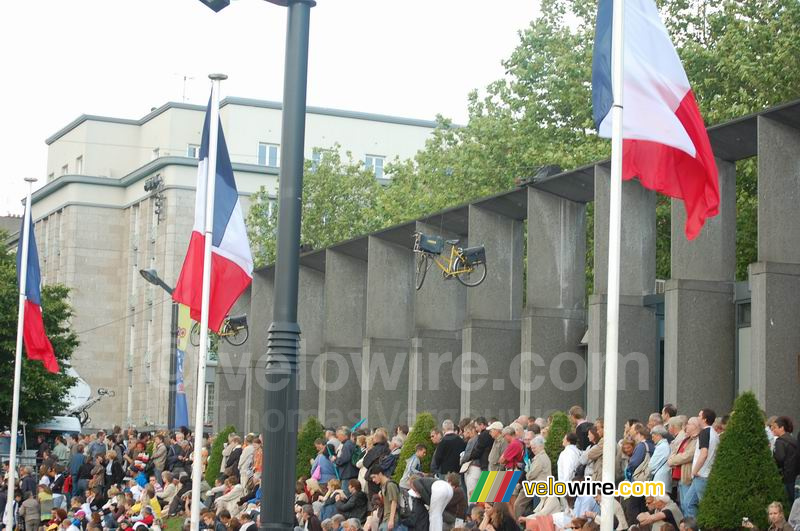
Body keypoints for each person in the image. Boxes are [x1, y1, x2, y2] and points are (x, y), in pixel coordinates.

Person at [683, 409, 719, 518]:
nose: (698, 417)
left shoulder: (705, 432)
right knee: (687, 503)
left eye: (699, 416)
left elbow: (704, 453)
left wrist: (694, 471)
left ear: (704, 419)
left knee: (703, 507)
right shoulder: (714, 433)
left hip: (701, 475)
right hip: (704, 474)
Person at [513, 436, 550, 519]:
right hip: (538, 486)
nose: (532, 450)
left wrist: (527, 473)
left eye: (534, 448)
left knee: (520, 505)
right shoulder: (542, 457)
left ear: (541, 446)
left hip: (536, 486)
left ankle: (519, 525)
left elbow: (531, 475)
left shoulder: (540, 458)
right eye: (532, 448)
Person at [667, 417, 697, 509]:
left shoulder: (693, 440)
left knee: (687, 505)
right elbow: (675, 454)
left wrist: (672, 460)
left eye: (688, 424)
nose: (685, 427)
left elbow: (686, 456)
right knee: (683, 504)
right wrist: (673, 459)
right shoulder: (686, 439)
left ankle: (690, 523)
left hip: (686, 475)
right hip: (681, 476)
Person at [369, 464, 406, 531]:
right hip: (386, 518)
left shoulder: (390, 485)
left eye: (374, 477)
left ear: (380, 474)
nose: (373, 480)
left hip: (391, 519)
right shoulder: (383, 486)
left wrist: (391, 520)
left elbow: (394, 502)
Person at [772, 416, 798, 504]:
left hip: (787, 477)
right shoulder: (793, 440)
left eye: (775, 427)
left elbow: (779, 459)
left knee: (790, 502)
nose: (773, 429)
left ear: (782, 428)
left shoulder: (780, 441)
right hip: (796, 475)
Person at [465, 418, 493, 499]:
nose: (476, 429)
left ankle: (475, 509)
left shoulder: (483, 436)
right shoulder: (490, 435)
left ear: (482, 425)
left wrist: (469, 457)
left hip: (484, 465)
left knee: (479, 494)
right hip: (489, 464)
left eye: (477, 427)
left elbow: (478, 451)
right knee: (488, 494)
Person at [650, 426, 672, 491]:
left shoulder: (661, 447)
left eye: (653, 436)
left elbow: (651, 465)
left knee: (659, 500)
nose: (652, 439)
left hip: (660, 478)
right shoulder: (665, 446)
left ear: (658, 435)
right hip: (663, 477)